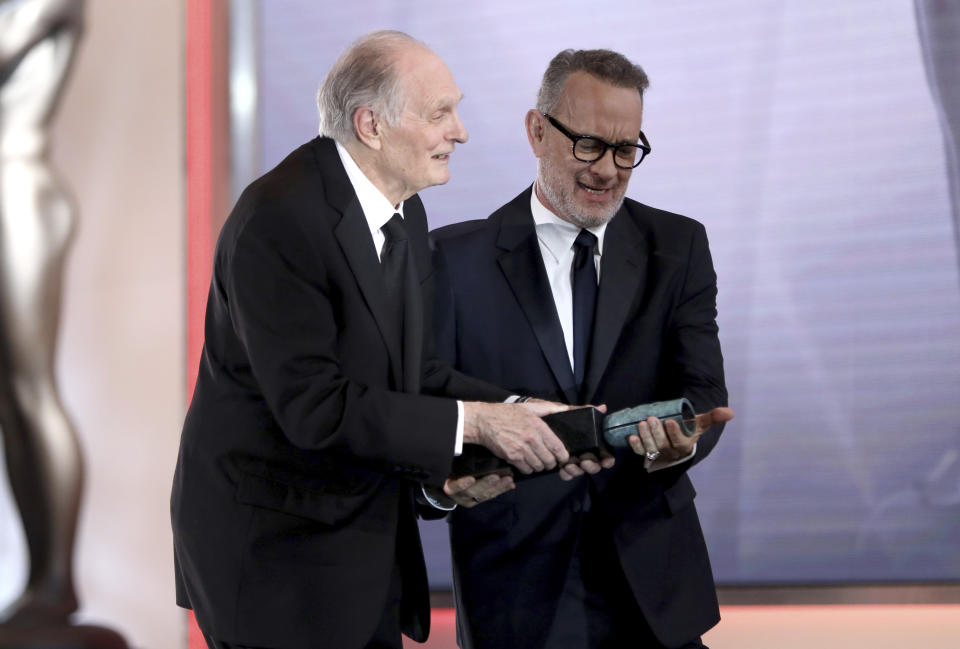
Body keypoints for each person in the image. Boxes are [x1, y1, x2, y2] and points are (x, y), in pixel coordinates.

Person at [170, 31, 572, 649]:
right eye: (440, 113)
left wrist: (519, 411)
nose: (461, 132)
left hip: (358, 541)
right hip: (276, 560)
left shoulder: (403, 209)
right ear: (371, 126)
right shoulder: (279, 219)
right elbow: (316, 408)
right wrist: (482, 425)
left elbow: (417, 373)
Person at [432, 48, 734, 649]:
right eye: (589, 145)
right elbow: (434, 392)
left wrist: (677, 446)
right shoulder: (449, 260)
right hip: (515, 583)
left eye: (627, 151)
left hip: (654, 581)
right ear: (537, 130)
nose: (608, 170)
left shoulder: (678, 245)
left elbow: (703, 392)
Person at [0, 0, 86, 628]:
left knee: (31, 392)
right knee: (11, 400)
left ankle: (56, 579)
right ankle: (39, 581)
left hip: (16, 188)